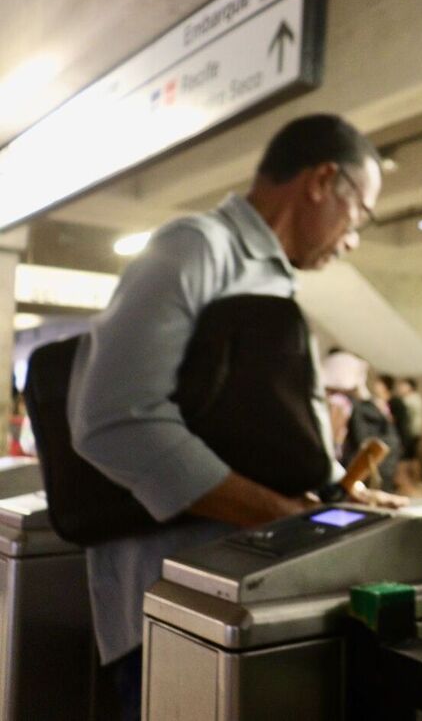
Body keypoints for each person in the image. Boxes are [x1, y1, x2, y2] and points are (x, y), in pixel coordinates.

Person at [68, 114, 393, 720]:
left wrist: (334, 492)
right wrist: (284, 517)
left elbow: (254, 428)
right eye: (362, 215)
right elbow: (116, 418)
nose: (354, 239)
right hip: (170, 616)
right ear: (323, 180)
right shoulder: (195, 247)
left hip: (243, 606)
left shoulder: (271, 281)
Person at [396, 377, 422, 491]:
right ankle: (413, 482)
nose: (400, 388)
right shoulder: (415, 398)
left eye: (403, 386)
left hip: (410, 432)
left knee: (407, 459)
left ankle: (408, 483)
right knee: (413, 458)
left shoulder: (411, 399)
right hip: (414, 432)